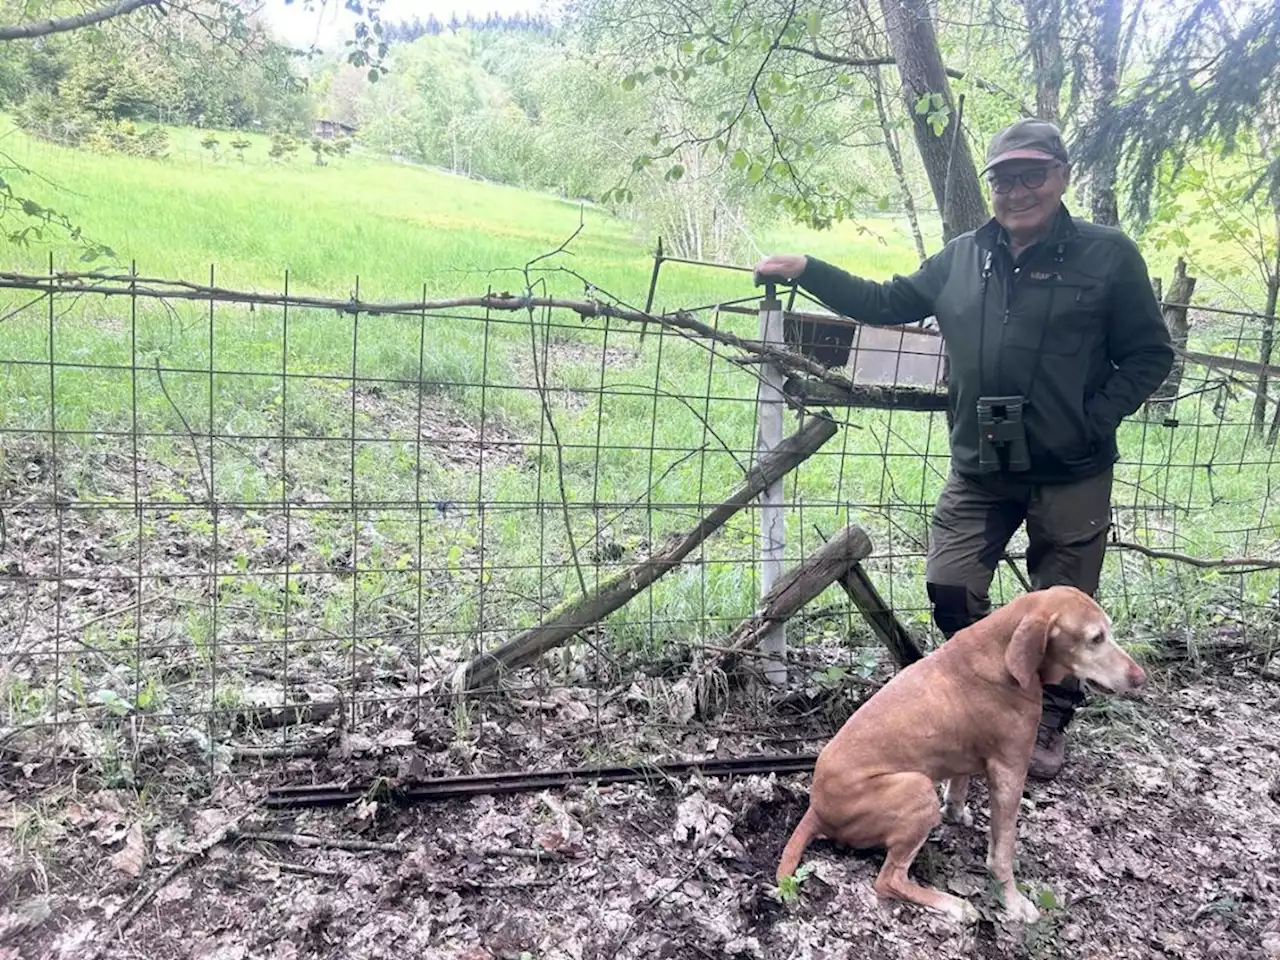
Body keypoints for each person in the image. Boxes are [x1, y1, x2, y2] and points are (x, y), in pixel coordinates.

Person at [753, 118, 1173, 780]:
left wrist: (1094, 418)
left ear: (1061, 177)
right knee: (950, 583)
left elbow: (1151, 354)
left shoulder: (1108, 256)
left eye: (1031, 174)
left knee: (1064, 601)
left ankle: (1045, 724)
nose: (1016, 190)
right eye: (1004, 178)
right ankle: (991, 698)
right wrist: (809, 270)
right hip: (983, 465)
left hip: (1073, 471)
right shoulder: (961, 257)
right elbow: (886, 300)